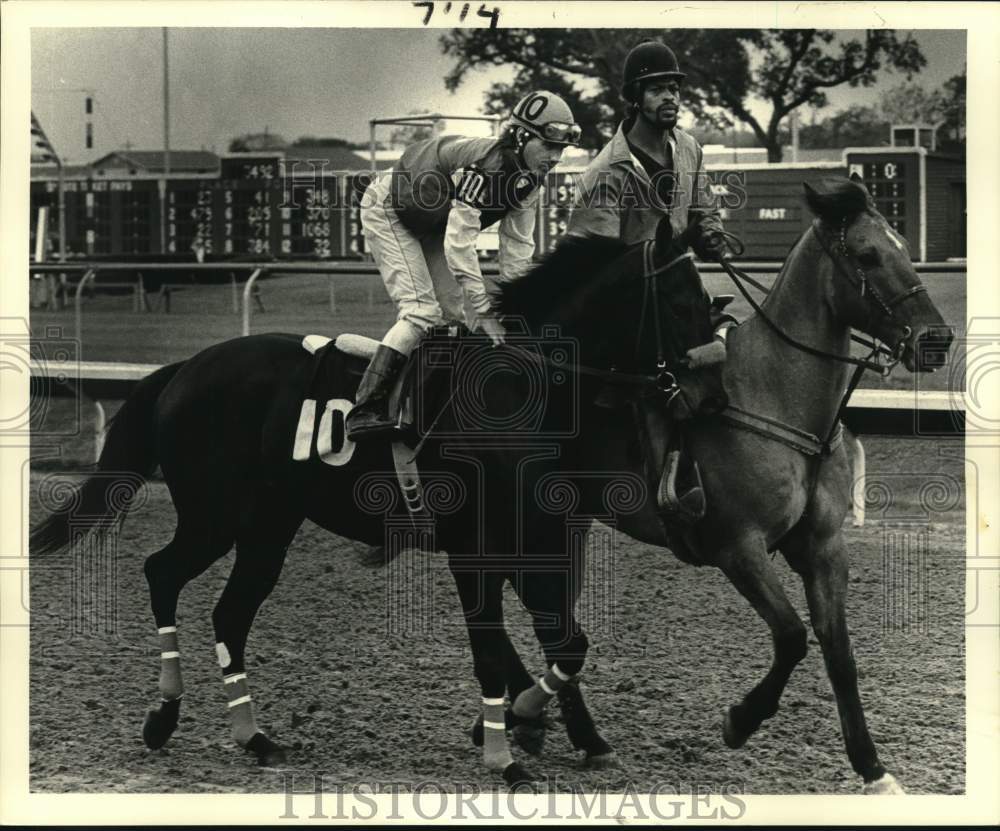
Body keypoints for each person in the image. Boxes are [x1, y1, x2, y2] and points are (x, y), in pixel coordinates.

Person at [345, 91, 581, 441]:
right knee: (421, 312)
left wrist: (519, 309)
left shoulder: (530, 180)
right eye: (548, 146)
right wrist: (485, 311)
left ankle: (429, 405)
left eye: (561, 149)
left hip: (431, 220)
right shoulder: (486, 166)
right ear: (520, 136)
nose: (555, 157)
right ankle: (365, 407)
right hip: (389, 211)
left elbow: (516, 253)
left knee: (452, 319)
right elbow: (459, 247)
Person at [568, 39, 730, 264]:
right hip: (630, 294)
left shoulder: (690, 149)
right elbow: (593, 264)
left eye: (673, 89)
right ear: (635, 97)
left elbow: (704, 213)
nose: (669, 97)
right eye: (656, 90)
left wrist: (710, 236)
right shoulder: (605, 172)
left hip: (679, 288)